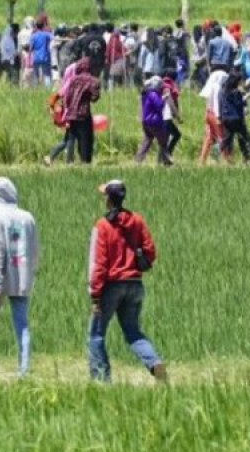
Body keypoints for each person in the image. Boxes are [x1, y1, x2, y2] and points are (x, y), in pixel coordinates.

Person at [88, 180, 165, 383]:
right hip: (135, 283)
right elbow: (150, 251)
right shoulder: (137, 220)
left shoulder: (103, 225)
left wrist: (95, 295)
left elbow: (99, 262)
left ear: (109, 199)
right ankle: (154, 362)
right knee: (132, 331)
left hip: (111, 286)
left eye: (104, 195)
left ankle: (101, 380)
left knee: (96, 335)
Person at [0, 177, 39, 376]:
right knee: (21, 323)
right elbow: (34, 250)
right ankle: (24, 369)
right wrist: (30, 274)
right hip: (22, 277)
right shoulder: (27, 217)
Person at [61, 57, 101, 165]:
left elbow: (67, 97)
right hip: (83, 113)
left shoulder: (73, 80)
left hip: (71, 113)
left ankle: (69, 161)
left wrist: (67, 108)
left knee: (72, 136)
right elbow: (94, 98)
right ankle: (85, 160)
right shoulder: (93, 81)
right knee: (85, 137)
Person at [134, 77, 173, 165]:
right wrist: (165, 98)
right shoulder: (153, 94)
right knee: (163, 141)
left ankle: (138, 159)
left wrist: (161, 98)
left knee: (147, 141)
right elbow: (159, 106)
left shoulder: (146, 94)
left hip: (146, 122)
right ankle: (167, 161)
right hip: (155, 122)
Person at [198, 64, 229, 164]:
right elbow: (216, 102)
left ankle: (202, 160)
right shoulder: (217, 87)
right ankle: (226, 158)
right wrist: (218, 116)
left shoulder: (210, 86)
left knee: (208, 138)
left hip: (208, 113)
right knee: (221, 137)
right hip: (214, 114)